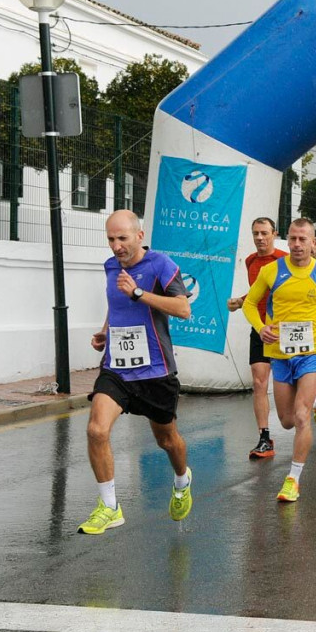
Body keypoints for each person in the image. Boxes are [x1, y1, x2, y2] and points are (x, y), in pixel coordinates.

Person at [78, 210, 193, 535]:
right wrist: (106, 331)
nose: (116, 246)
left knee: (167, 441)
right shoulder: (110, 266)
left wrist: (139, 293)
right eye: (111, 239)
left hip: (156, 370)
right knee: (96, 430)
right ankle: (109, 507)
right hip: (117, 368)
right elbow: (117, 306)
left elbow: (183, 309)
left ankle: (182, 480)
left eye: (122, 238)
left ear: (139, 236)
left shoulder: (161, 265)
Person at [243, 218, 316, 501]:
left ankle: (293, 479)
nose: (296, 244)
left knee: (302, 415)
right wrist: (261, 328)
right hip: (280, 354)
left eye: (303, 239)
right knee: (285, 420)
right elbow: (249, 304)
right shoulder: (271, 271)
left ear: (314, 244)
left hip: (313, 352)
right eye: (293, 239)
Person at [227, 217, 288, 459]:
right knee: (259, 383)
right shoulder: (251, 261)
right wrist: (240, 301)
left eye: (264, 233)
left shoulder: (285, 260)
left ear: (274, 233)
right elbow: (257, 292)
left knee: (292, 385)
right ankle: (264, 438)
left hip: (286, 330)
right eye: (255, 233)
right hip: (260, 329)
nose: (260, 238)